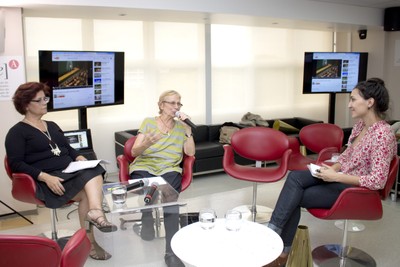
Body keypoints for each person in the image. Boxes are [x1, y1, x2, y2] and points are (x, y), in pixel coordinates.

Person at [264, 78, 397, 267]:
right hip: (340, 179)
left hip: (355, 191)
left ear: (370, 102)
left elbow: (378, 181)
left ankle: (277, 247)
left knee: (297, 196)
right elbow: (347, 156)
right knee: (294, 178)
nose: (349, 105)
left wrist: (337, 176)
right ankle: (276, 239)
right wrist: (332, 168)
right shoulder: (360, 126)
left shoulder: (383, 134)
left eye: (353, 99)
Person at [5, 82, 117, 261]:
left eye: (46, 98)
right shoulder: (16, 132)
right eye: (39, 100)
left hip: (69, 172)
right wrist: (45, 177)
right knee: (91, 180)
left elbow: (67, 148)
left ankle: (93, 222)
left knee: (94, 168)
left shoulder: (51, 124)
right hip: (46, 180)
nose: (45, 102)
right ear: (26, 105)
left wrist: (78, 157)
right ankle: (93, 228)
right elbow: (16, 163)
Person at [129, 90, 195, 267]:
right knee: (147, 188)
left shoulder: (181, 127)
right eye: (172, 103)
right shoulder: (149, 122)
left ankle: (170, 252)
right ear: (161, 105)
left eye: (178, 104)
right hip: (145, 164)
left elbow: (190, 152)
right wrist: (147, 143)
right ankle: (147, 218)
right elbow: (134, 152)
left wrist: (188, 130)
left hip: (169, 168)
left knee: (170, 197)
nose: (176, 107)